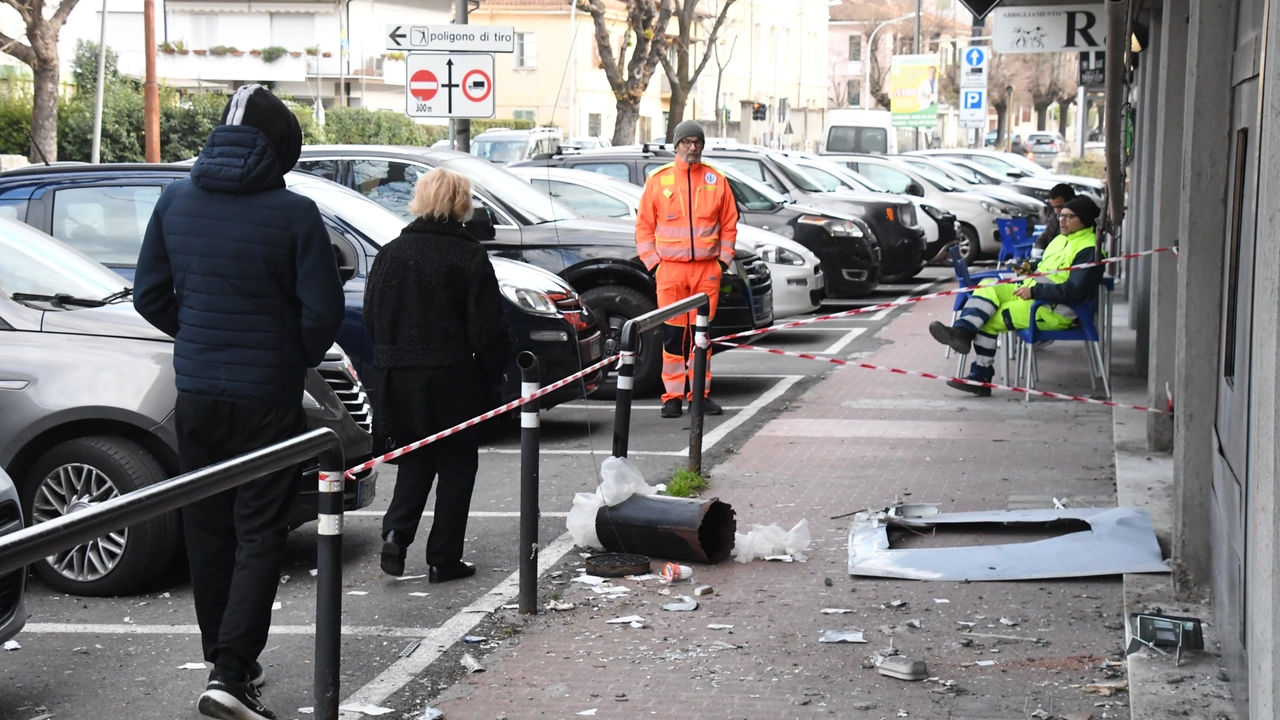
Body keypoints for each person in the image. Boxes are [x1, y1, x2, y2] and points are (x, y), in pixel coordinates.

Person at [133, 84, 345, 720]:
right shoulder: (295, 214)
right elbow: (323, 312)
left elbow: (149, 294)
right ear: (281, 146)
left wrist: (197, 335)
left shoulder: (174, 200)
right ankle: (230, 674)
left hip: (196, 393)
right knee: (259, 530)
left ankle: (224, 662)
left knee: (207, 527)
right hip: (267, 398)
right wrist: (285, 354)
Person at [365, 167, 512, 583]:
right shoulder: (467, 255)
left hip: (400, 376)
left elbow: (373, 317)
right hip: (454, 377)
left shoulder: (391, 253)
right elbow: (488, 329)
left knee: (415, 456)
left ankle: (396, 532)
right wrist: (492, 370)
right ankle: (443, 559)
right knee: (457, 467)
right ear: (460, 203)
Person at [928, 196, 1105, 395]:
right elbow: (1051, 268)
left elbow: (1075, 290)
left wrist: (1035, 291)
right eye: (1061, 216)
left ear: (1085, 220)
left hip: (1053, 310)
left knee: (990, 318)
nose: (1061, 221)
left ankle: (981, 376)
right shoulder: (1061, 239)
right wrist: (1031, 267)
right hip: (1032, 293)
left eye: (1069, 217)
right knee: (988, 286)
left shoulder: (1089, 248)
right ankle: (962, 331)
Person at [637, 120, 738, 418]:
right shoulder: (658, 180)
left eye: (697, 142)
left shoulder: (716, 180)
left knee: (701, 336)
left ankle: (700, 395)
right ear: (676, 145)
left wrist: (722, 262)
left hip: (706, 271)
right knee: (672, 337)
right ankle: (672, 397)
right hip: (670, 272)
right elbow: (644, 228)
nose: (692, 147)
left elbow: (730, 224)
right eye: (687, 142)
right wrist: (654, 265)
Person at [1031, 184, 1076, 259]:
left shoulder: (1078, 222)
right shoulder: (1054, 216)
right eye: (1054, 207)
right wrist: (1037, 250)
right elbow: (1045, 235)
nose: (1056, 211)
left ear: (1072, 201)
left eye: (1060, 206)